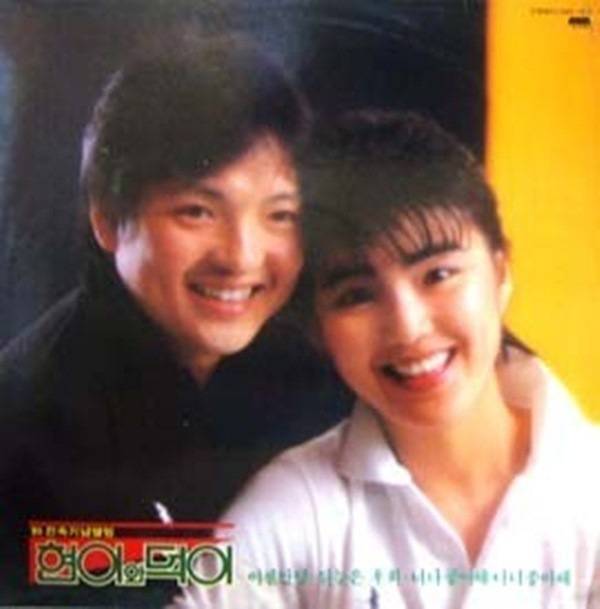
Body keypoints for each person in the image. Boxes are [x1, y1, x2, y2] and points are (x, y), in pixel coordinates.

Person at [175, 110, 600, 609]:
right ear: (317, 328)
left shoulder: (587, 482)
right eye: (357, 295)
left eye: (438, 275)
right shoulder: (298, 506)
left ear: (501, 272)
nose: (408, 328)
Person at [0, 37, 350, 605]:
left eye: (280, 215)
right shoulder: (29, 421)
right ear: (108, 218)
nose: (241, 256)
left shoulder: (318, 374)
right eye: (197, 211)